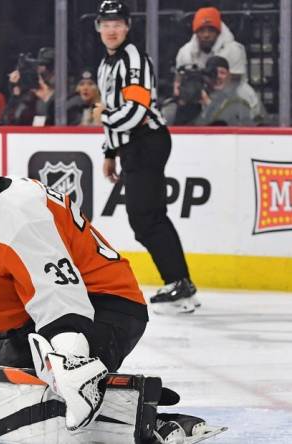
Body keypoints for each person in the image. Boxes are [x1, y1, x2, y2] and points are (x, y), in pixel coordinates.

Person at [0, 137, 218, 443]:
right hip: (49, 311)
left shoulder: (16, 213)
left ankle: (145, 420)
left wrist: (71, 363)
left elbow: (60, 294)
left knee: (34, 401)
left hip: (105, 304)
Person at [93, 0, 199, 315]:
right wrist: (111, 151)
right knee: (146, 217)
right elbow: (114, 113)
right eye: (106, 24)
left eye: (117, 24)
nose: (111, 30)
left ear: (127, 27)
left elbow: (136, 113)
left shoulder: (134, 58)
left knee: (146, 217)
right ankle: (179, 281)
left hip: (148, 140)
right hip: (133, 145)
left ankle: (179, 282)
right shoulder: (105, 65)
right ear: (99, 28)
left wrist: (105, 117)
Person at [175, 6, 247, 82]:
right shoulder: (184, 52)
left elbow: (236, 81)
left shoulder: (234, 50)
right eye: (201, 30)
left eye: (211, 30)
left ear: (218, 32)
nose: (206, 35)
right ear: (196, 33)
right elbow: (178, 80)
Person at [194, 56, 256, 126]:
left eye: (222, 73)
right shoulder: (202, 93)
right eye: (213, 74)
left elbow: (231, 124)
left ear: (229, 76)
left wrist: (209, 104)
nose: (218, 76)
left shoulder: (241, 93)